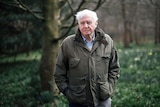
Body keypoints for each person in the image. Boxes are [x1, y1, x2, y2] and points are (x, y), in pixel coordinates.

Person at [54, 9, 120, 107]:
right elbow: (59, 73)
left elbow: (114, 68)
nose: (85, 26)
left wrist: (109, 87)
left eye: (88, 22)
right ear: (78, 25)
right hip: (77, 100)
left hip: (102, 99)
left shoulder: (107, 41)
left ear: (96, 23)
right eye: (82, 23)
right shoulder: (68, 43)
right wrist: (68, 92)